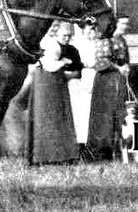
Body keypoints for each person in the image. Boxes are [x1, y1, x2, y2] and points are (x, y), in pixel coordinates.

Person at [27, 22, 83, 165]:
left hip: (57, 82)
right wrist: (62, 63)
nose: (67, 38)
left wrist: (65, 69)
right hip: (46, 83)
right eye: (64, 35)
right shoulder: (50, 44)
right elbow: (48, 65)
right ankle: (45, 156)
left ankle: (60, 155)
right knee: (46, 118)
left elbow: (75, 69)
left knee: (58, 117)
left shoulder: (69, 48)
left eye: (69, 36)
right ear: (57, 33)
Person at [87, 15, 131, 159]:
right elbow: (101, 61)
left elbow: (125, 59)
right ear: (115, 24)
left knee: (120, 113)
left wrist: (126, 67)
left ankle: (120, 151)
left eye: (127, 24)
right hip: (105, 81)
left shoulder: (122, 40)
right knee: (105, 116)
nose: (125, 27)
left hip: (119, 80)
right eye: (122, 24)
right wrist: (119, 68)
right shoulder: (105, 39)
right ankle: (102, 153)